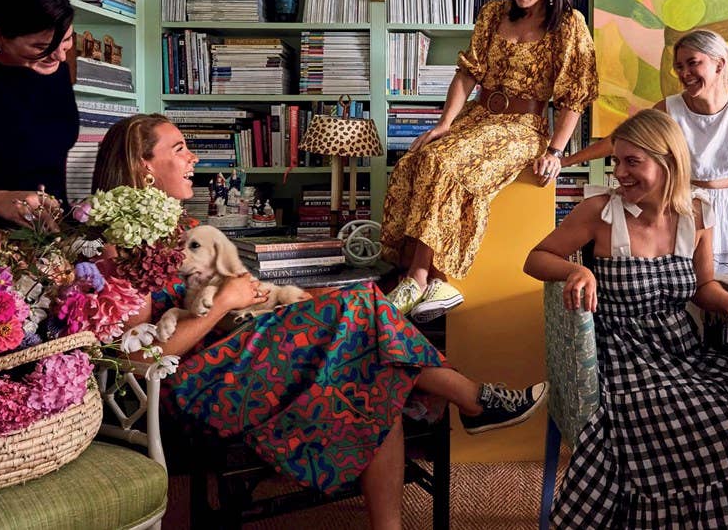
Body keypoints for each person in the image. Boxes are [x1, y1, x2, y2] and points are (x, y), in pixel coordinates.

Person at [92, 113, 549, 530]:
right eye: (179, 149)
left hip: (235, 351)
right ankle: (472, 398)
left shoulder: (177, 228)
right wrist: (225, 300)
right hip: (198, 384)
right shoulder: (119, 246)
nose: (193, 158)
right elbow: (140, 360)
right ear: (143, 166)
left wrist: (248, 295)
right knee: (361, 314)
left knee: (372, 367)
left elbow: (216, 299)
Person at [523, 110, 728, 528]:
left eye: (632, 162)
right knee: (709, 433)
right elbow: (535, 258)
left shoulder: (698, 215)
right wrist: (576, 269)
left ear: (668, 161)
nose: (619, 173)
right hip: (624, 357)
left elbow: (702, 287)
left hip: (683, 352)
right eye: (617, 161)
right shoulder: (599, 212)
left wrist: (727, 302)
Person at [381, 0, 598, 322]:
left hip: (523, 127)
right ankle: (429, 279)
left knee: (444, 164)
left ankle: (419, 277)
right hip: (478, 116)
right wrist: (445, 123)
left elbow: (574, 97)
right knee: (418, 158)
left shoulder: (568, 24)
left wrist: (555, 151)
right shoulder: (493, 14)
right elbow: (468, 73)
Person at [564, 29, 728, 390]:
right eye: (679, 66)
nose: (684, 73)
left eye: (692, 63)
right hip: (688, 209)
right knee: (693, 297)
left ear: (719, 64)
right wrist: (564, 160)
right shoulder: (670, 108)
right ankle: (695, 384)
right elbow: (622, 139)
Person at [0, 0, 77, 228]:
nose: (59, 56)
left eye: (66, 40)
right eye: (42, 47)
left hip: (53, 234)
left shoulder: (57, 73)